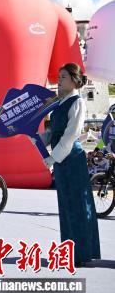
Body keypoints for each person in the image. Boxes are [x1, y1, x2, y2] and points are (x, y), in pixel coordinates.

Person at [33, 63, 100, 266]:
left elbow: (71, 135)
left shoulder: (77, 102)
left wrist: (53, 158)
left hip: (71, 158)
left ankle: (81, 254)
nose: (59, 80)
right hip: (62, 160)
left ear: (74, 80)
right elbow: (53, 133)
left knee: (77, 205)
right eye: (59, 76)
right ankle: (70, 252)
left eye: (63, 77)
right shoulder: (59, 103)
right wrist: (36, 138)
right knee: (66, 205)